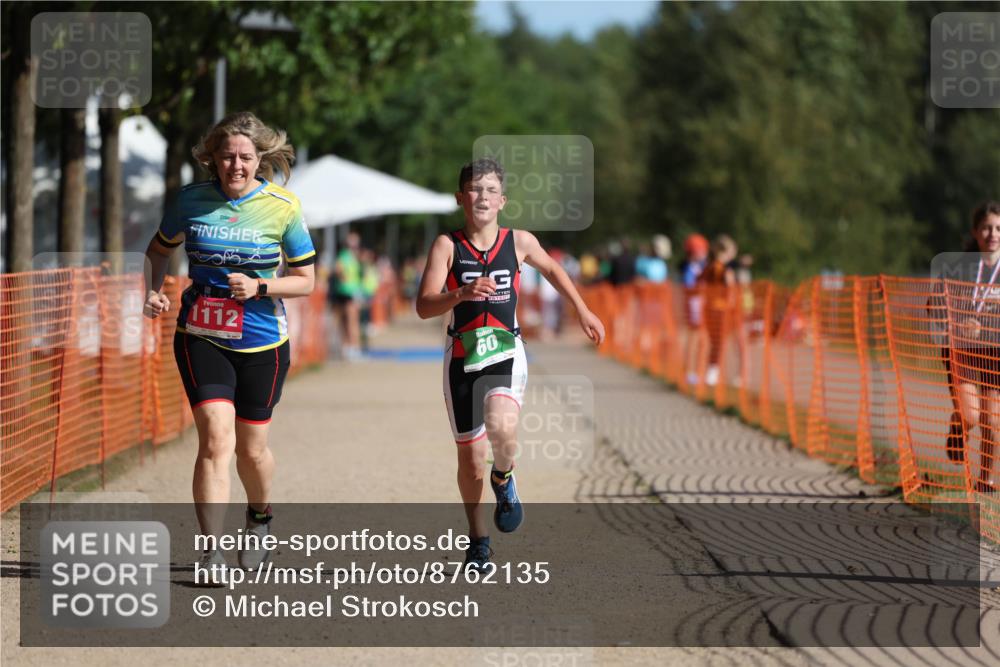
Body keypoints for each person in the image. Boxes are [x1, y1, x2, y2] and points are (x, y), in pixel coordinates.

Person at [143, 111, 316, 577]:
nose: (236, 165)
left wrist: (260, 288)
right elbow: (159, 250)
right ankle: (211, 551)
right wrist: (153, 290)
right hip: (202, 334)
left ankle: (259, 519)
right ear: (211, 159)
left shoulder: (284, 206)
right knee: (215, 440)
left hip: (262, 342)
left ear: (260, 158)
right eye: (226, 156)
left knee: (251, 450)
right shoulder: (191, 202)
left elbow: (305, 281)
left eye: (245, 157)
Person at [416, 158, 605, 571]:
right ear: (460, 197)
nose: (481, 196)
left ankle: (503, 477)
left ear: (502, 200)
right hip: (461, 355)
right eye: (473, 189)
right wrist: (460, 294)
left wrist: (583, 311)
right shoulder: (447, 246)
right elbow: (424, 306)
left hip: (504, 349)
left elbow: (553, 269)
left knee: (502, 427)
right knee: (469, 459)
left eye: (489, 190)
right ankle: (479, 541)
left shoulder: (518, 242)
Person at [935, 201, 1000, 493]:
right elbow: (934, 306)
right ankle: (959, 427)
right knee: (972, 416)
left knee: (993, 422)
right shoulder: (958, 267)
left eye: (998, 228)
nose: (993, 234)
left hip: (994, 357)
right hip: (962, 355)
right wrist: (959, 321)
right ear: (975, 231)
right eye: (987, 227)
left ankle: (985, 482)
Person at [697, 235, 738, 387]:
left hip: (708, 308)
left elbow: (698, 282)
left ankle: (711, 371)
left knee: (715, 342)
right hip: (721, 309)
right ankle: (712, 373)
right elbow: (730, 290)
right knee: (719, 343)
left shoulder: (708, 267)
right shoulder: (722, 269)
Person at [679, 234, 709, 386]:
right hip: (694, 307)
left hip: (701, 305)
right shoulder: (690, 268)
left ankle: (697, 371)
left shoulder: (701, 266)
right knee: (694, 339)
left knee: (702, 340)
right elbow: (689, 287)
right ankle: (689, 372)